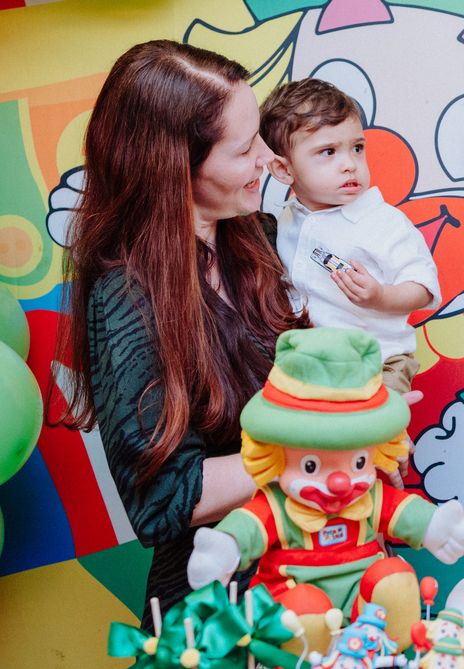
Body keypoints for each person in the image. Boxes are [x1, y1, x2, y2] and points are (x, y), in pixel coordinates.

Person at [57, 40, 311, 628]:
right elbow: (162, 499)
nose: (267, 161)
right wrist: (317, 445)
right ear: (175, 167)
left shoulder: (257, 235)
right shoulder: (127, 299)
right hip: (217, 615)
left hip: (316, 577)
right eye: (246, 149)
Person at [260, 79, 440, 398]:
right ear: (283, 170)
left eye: (357, 148)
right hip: (315, 367)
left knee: (376, 431)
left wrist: (381, 296)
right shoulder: (287, 220)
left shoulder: (382, 221)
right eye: (328, 152)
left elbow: (423, 288)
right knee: (319, 439)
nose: (350, 164)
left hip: (379, 363)